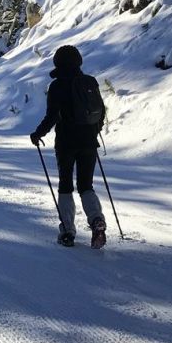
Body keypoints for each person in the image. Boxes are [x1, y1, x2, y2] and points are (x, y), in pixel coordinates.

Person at [30, 45, 107, 248]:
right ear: (78, 61)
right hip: (89, 141)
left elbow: (52, 116)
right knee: (85, 185)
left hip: (66, 143)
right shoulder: (89, 82)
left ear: (58, 63)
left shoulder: (57, 86)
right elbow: (101, 111)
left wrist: (38, 134)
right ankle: (97, 219)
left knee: (66, 185)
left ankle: (67, 231)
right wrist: (94, 131)